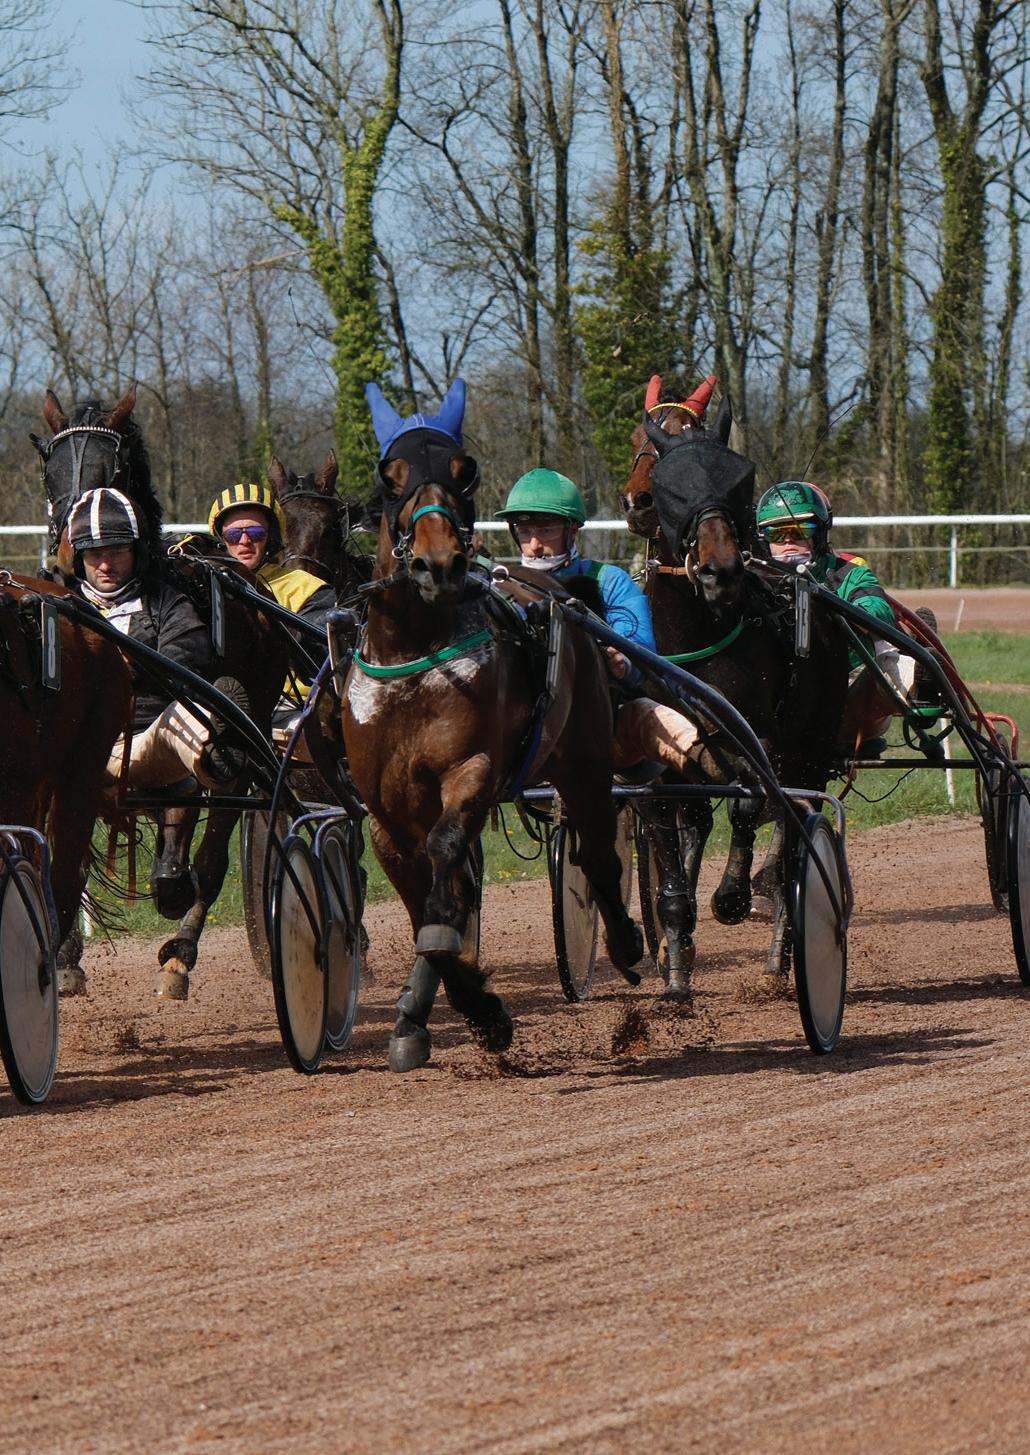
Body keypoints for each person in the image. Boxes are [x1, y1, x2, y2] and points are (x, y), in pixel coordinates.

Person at [495, 468, 705, 775]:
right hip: (519, 726)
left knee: (648, 715)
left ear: (573, 530)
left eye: (546, 531)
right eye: (525, 532)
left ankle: (706, 760)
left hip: (601, 725)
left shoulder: (609, 580)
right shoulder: (498, 587)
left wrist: (623, 663)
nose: (535, 545)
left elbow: (640, 648)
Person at [67, 487, 247, 793]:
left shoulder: (168, 604)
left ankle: (218, 757)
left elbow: (183, 674)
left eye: (117, 552)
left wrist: (120, 669)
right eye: (95, 555)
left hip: (141, 741)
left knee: (188, 714)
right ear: (79, 559)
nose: (106, 565)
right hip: (71, 746)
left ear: (137, 553)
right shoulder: (61, 606)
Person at [755, 480, 925, 755]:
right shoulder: (753, 580)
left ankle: (918, 685)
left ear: (820, 534)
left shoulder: (849, 572)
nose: (788, 542)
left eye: (799, 531)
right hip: (777, 693)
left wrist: (832, 613)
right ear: (764, 540)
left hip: (849, 686)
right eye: (777, 533)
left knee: (885, 655)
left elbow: (878, 610)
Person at [208, 482, 337, 748]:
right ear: (221, 539)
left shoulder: (307, 587)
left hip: (292, 710)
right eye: (233, 535)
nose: (245, 541)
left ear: (271, 537)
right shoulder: (207, 584)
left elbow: (320, 663)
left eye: (255, 533)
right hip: (222, 703)